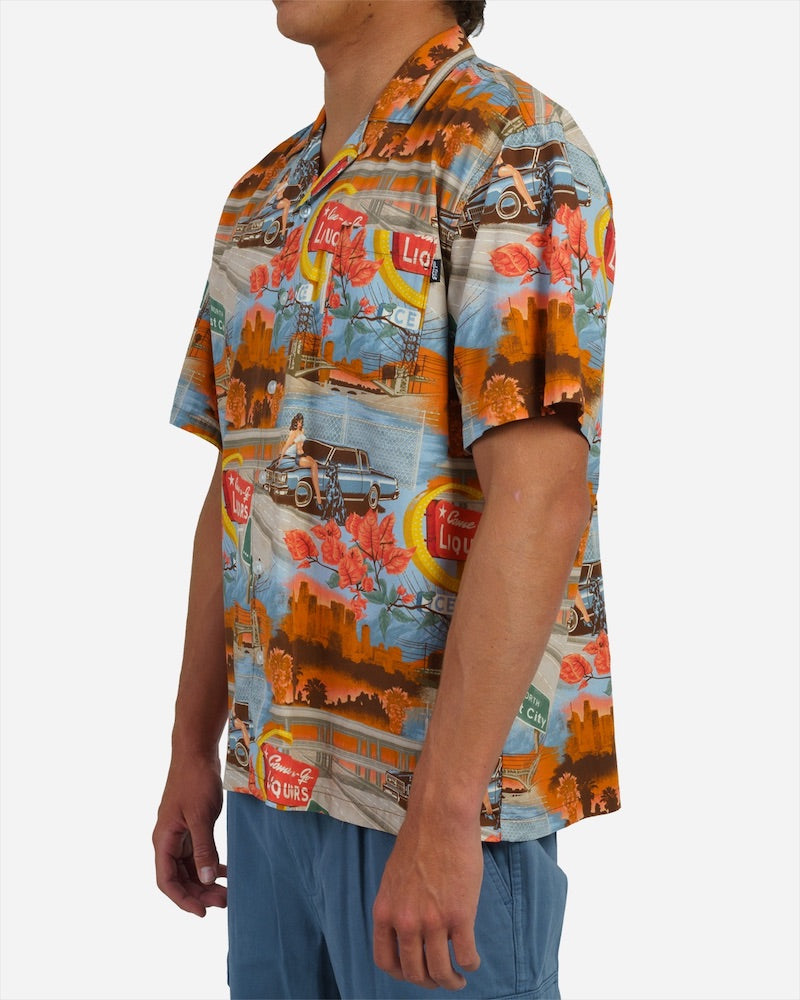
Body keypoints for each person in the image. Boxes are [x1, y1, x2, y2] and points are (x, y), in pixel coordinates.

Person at [153, 2, 620, 998]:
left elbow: (540, 495)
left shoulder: (511, 150)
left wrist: (444, 814)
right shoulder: (263, 195)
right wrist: (193, 747)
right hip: (272, 787)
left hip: (437, 805)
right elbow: (237, 484)